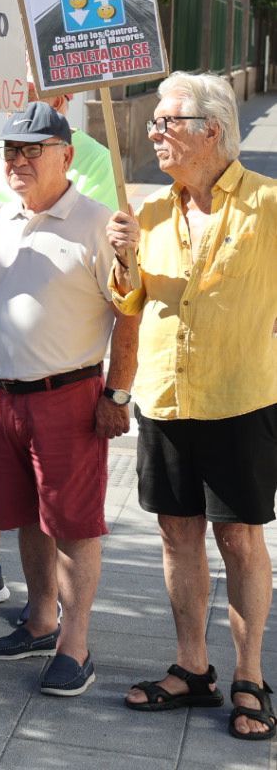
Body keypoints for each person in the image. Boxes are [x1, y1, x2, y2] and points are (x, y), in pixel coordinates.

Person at [0, 103, 138, 697]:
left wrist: (117, 393)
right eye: (10, 151)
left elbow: (130, 313)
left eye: (32, 150)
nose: (18, 161)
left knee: (73, 524)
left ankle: (77, 644)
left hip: (67, 395)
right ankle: (41, 620)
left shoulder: (101, 223)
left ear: (66, 155)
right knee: (26, 517)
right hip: (3, 395)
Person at [107, 72, 277, 739]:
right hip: (168, 398)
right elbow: (129, 302)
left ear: (213, 129)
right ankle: (192, 668)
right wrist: (122, 264)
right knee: (177, 534)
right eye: (153, 123)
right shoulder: (148, 212)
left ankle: (250, 677)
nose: (155, 133)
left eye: (166, 122)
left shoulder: (266, 205)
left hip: (239, 397)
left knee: (239, 537)